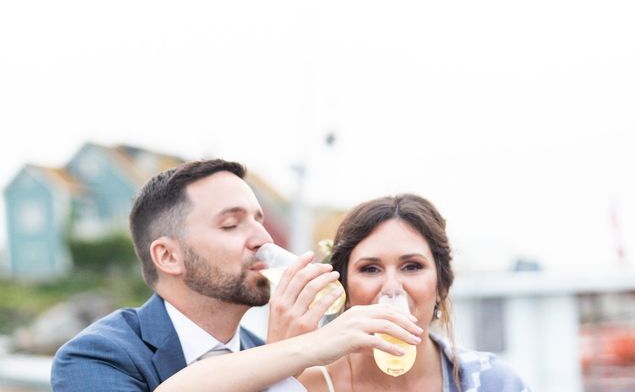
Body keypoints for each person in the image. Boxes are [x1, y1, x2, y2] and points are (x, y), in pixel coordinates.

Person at [51, 160, 422, 392]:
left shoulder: (268, 350)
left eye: (258, 221)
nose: (262, 239)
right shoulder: (96, 357)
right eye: (231, 225)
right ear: (167, 256)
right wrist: (295, 352)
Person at [298, 194, 531, 392]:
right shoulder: (303, 385)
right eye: (370, 269)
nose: (391, 286)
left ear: (441, 285)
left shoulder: (494, 383)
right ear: (345, 290)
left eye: (412, 267)